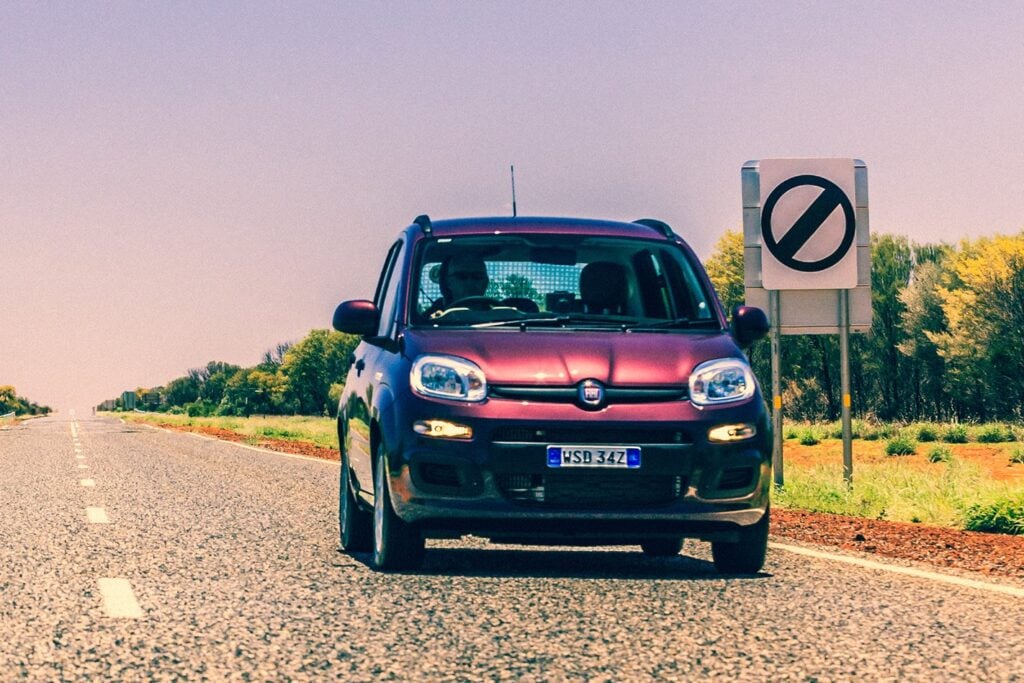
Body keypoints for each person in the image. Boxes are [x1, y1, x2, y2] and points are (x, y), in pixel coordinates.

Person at [425, 253, 490, 317]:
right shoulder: (429, 320)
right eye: (462, 276)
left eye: (477, 276)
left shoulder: (498, 316)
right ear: (447, 282)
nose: (470, 282)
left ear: (486, 282)